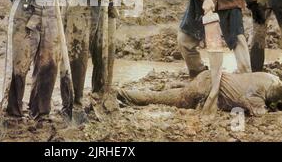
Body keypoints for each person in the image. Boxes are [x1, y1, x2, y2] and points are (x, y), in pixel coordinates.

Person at [117, 70, 282, 116]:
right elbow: (256, 109)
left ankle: (122, 93)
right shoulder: (266, 90)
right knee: (159, 99)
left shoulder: (269, 77)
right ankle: (120, 94)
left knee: (171, 94)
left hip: (210, 78)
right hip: (208, 85)